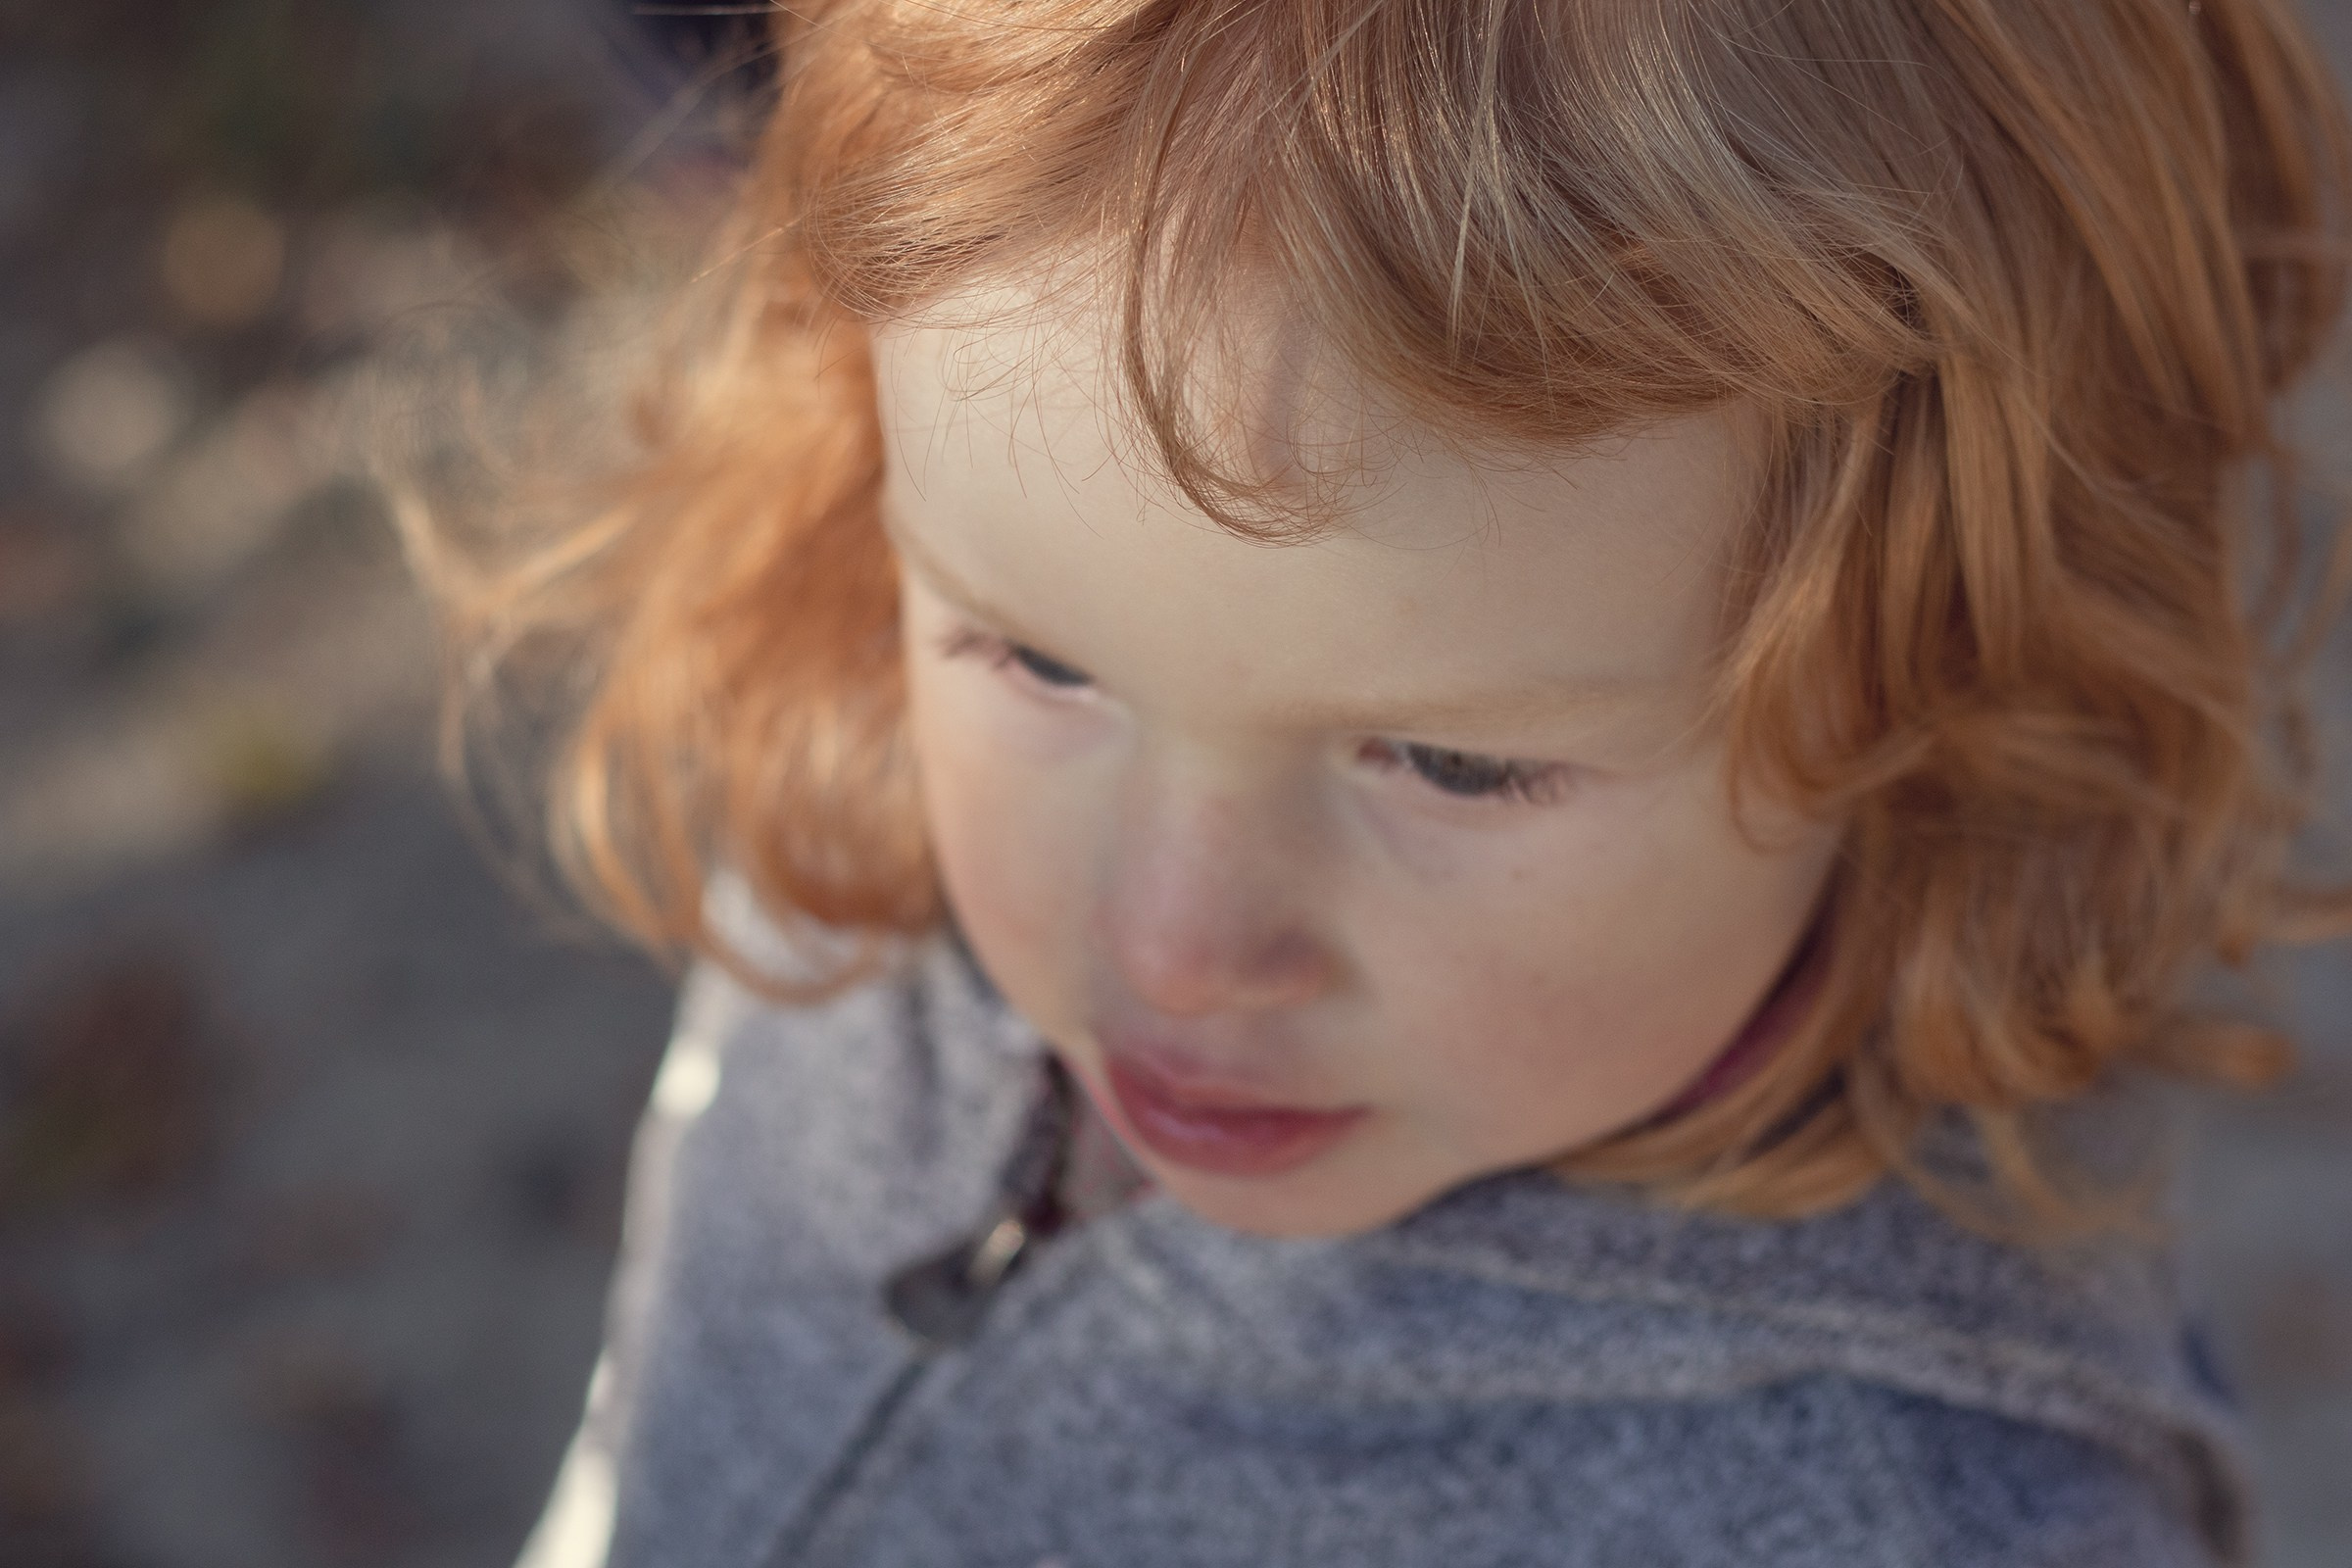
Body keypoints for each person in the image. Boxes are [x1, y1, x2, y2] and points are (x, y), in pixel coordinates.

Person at [401, 2, 2352, 1564]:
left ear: (1952, 672)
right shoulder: (880, 821)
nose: (1170, 939)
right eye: (1039, 658)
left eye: (1450, 761)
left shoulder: (1913, 1510)